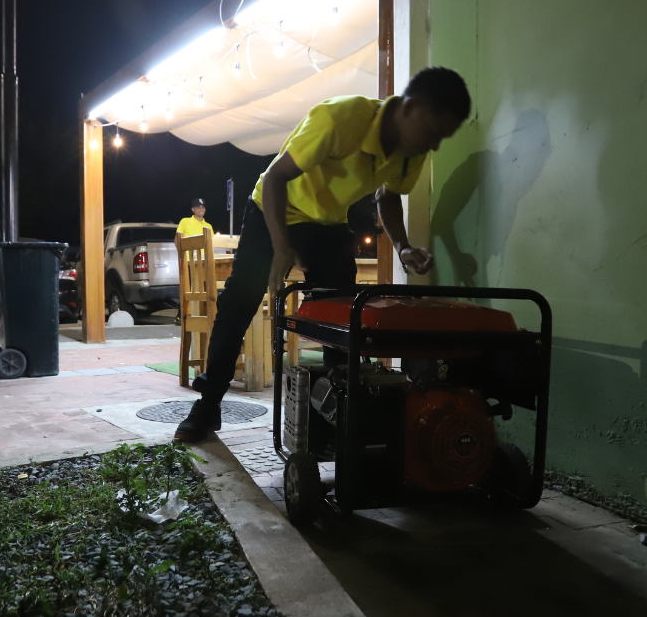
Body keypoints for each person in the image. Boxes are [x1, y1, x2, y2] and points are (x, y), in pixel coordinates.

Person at [174, 67, 472, 442]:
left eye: (441, 139)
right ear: (409, 109)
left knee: (344, 317)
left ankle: (340, 415)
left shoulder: (411, 153)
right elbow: (276, 177)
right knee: (240, 301)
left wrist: (403, 246)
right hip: (274, 207)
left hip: (328, 224)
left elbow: (388, 195)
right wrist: (281, 245)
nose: (434, 145)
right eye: (433, 133)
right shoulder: (340, 118)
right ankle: (208, 405)